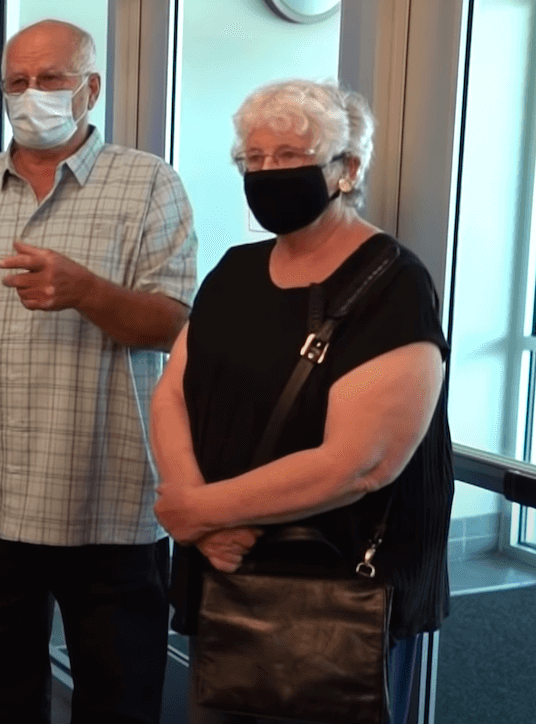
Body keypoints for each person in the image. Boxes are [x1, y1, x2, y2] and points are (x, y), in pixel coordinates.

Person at [0, 18, 197, 724]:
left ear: (90, 89)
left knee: (119, 698)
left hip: (105, 493)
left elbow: (172, 322)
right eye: (17, 81)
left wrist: (86, 291)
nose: (30, 93)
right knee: (2, 693)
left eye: (51, 79)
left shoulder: (148, 184)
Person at [150, 78, 453, 724]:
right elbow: (172, 393)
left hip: (337, 594)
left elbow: (360, 463)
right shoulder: (234, 272)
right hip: (225, 573)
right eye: (253, 159)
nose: (267, 173)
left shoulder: (393, 284)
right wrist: (202, 519)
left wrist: (198, 511)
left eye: (289, 156)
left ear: (347, 168)